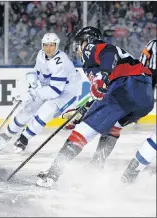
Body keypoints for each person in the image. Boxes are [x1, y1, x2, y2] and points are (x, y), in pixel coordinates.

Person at [36, 26, 154, 188]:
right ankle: (97, 164)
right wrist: (84, 110)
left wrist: (103, 75)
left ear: (86, 40)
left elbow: (109, 53)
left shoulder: (91, 48)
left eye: (79, 43)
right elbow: (102, 92)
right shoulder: (103, 64)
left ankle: (52, 174)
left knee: (83, 131)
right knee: (113, 126)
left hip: (126, 87)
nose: (78, 49)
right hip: (145, 97)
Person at [1, 33, 82, 153]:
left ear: (57, 46)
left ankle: (24, 139)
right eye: (46, 45)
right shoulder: (41, 54)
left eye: (52, 45)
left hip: (65, 91)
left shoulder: (61, 63)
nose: (48, 48)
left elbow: (55, 91)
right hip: (48, 87)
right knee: (28, 109)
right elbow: (37, 71)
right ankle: (6, 135)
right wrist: (32, 79)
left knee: (46, 111)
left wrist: (33, 94)